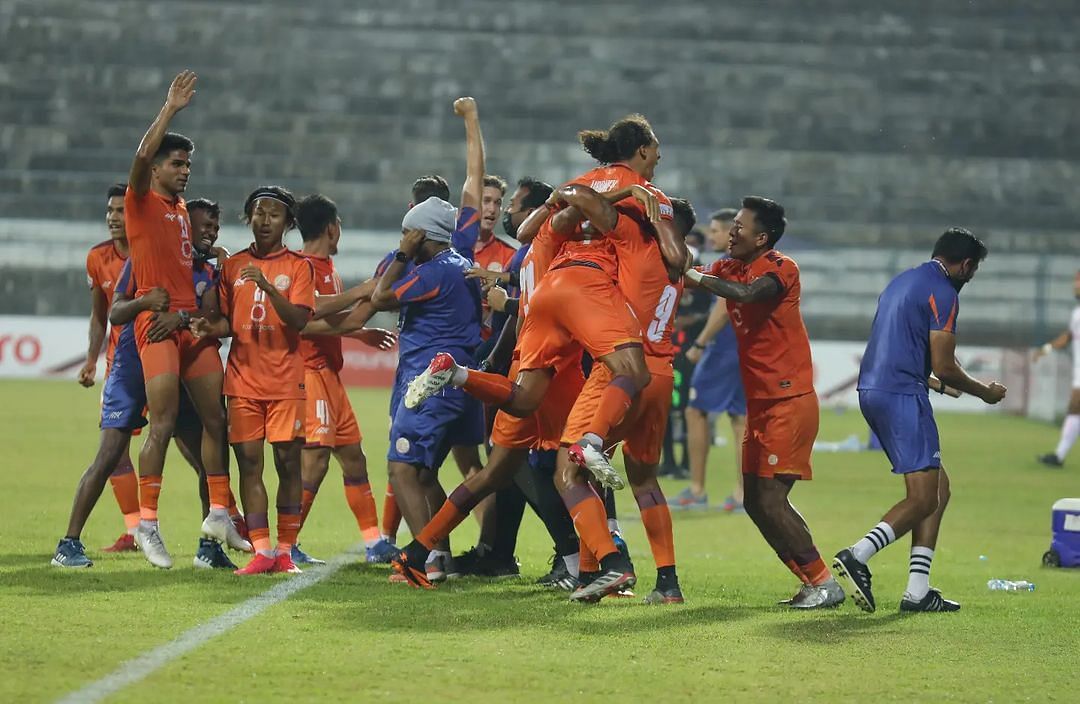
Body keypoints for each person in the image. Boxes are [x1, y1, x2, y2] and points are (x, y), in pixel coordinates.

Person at [405, 114, 686, 488]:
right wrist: (634, 199)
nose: (657, 161)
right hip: (590, 297)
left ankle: (455, 373)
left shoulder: (577, 184)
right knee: (631, 375)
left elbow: (525, 232)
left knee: (521, 406)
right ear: (643, 150)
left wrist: (564, 197)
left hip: (543, 299)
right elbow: (676, 258)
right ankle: (592, 452)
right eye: (655, 153)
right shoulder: (647, 192)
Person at [833, 229, 1006, 613]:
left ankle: (917, 590)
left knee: (939, 489)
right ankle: (857, 555)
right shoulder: (944, 292)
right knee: (924, 497)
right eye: (972, 270)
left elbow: (896, 346)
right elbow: (945, 363)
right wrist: (984, 392)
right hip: (901, 396)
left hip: (873, 390)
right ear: (966, 265)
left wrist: (938, 385)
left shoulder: (902, 282)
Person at [687, 196, 843, 609]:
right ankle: (810, 581)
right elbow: (692, 275)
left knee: (771, 499)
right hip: (761, 401)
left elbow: (749, 294)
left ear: (763, 237)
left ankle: (825, 583)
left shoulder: (779, 268)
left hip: (788, 400)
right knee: (755, 501)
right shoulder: (729, 265)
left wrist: (695, 277)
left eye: (740, 227)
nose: (731, 232)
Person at [123, 71, 231, 569]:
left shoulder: (182, 207)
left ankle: (219, 513)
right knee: (163, 423)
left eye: (189, 163)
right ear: (159, 168)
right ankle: (147, 522)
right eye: (177, 163)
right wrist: (170, 109)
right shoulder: (141, 201)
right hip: (158, 325)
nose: (184, 170)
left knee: (218, 420)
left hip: (186, 325)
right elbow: (142, 157)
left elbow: (186, 265)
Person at [191, 186, 316, 575]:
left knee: (288, 463)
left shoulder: (299, 266)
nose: (265, 220)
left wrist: (264, 285)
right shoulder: (233, 267)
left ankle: (286, 549)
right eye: (258, 213)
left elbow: (299, 319)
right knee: (249, 465)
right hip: (243, 381)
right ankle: (262, 551)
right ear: (249, 218)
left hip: (285, 382)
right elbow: (229, 322)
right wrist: (207, 327)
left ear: (288, 223)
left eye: (274, 214)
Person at [370, 196, 484, 583]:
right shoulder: (459, 264)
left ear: (423, 235)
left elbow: (380, 297)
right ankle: (442, 557)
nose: (403, 239)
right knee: (424, 474)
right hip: (454, 381)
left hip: (429, 382)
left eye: (408, 232)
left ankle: (423, 559)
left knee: (400, 468)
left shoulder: (434, 271)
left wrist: (402, 255)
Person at [293, 193, 399, 565]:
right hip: (311, 373)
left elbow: (326, 322)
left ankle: (373, 544)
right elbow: (304, 316)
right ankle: (285, 544)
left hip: (330, 375)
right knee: (316, 461)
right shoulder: (302, 267)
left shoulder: (326, 268)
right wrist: (365, 292)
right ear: (331, 228)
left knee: (354, 458)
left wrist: (358, 333)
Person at [76, 183, 141, 552]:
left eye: (121, 211)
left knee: (190, 444)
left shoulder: (151, 253)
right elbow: (100, 316)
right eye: (110, 211)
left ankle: (228, 514)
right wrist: (91, 359)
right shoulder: (97, 258)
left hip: (158, 361)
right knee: (115, 450)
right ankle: (133, 531)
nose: (114, 218)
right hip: (120, 367)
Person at [675, 209, 747, 511]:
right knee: (741, 419)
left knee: (695, 411)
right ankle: (743, 494)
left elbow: (723, 307)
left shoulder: (731, 264)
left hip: (723, 349)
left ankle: (697, 489)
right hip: (743, 348)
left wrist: (700, 343)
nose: (713, 235)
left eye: (718, 230)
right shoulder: (747, 263)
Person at [1034, 269, 1080, 468]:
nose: (1075, 286)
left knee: (1075, 407)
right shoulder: (1077, 313)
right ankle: (1059, 456)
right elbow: (1069, 336)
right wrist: (1046, 348)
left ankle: (1059, 456)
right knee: (1074, 409)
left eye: (1078, 281)